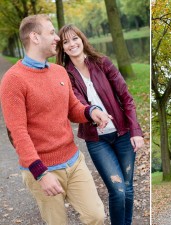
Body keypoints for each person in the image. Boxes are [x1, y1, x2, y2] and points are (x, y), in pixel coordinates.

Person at [0, 14, 112, 225]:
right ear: (34, 37)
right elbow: (18, 133)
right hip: (43, 168)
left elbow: (73, 109)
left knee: (96, 216)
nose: (57, 38)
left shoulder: (60, 72)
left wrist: (91, 112)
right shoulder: (13, 80)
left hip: (73, 161)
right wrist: (40, 173)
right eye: (51, 33)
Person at [56, 24, 144, 225]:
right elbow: (77, 104)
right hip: (97, 140)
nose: (72, 44)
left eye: (74, 38)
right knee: (118, 189)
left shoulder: (102, 62)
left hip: (123, 133)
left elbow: (126, 97)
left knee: (128, 188)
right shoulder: (65, 75)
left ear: (82, 39)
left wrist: (136, 131)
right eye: (66, 42)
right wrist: (94, 114)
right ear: (62, 48)